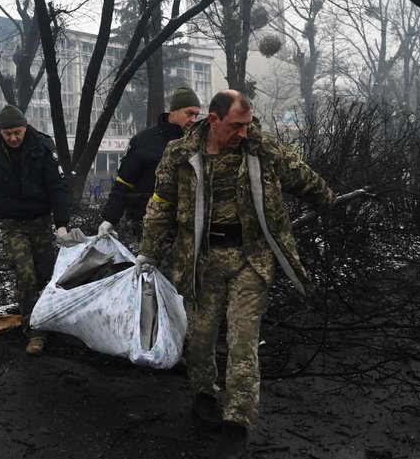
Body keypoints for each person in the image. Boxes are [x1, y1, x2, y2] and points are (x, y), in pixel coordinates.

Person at [134, 90, 335, 459]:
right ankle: (204, 396)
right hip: (201, 260)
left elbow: (300, 175)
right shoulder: (180, 155)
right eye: (236, 125)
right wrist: (148, 250)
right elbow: (161, 202)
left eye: (247, 124)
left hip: (250, 258)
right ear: (213, 120)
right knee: (201, 336)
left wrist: (327, 200)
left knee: (244, 340)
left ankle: (237, 421)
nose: (244, 131)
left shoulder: (260, 148)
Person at [0, 104, 70, 356]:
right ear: (0, 132)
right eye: (7, 133)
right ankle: (35, 332)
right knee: (25, 273)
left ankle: (53, 317)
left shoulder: (42, 147)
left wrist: (61, 224)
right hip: (10, 221)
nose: (13, 138)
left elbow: (57, 186)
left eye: (17, 132)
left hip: (40, 220)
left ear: (25, 128)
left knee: (48, 273)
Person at [97, 86, 202, 239]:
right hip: (149, 224)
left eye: (197, 115)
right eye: (189, 113)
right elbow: (124, 182)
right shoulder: (144, 142)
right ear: (173, 111)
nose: (194, 119)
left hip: (188, 226)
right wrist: (109, 219)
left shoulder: (198, 143)